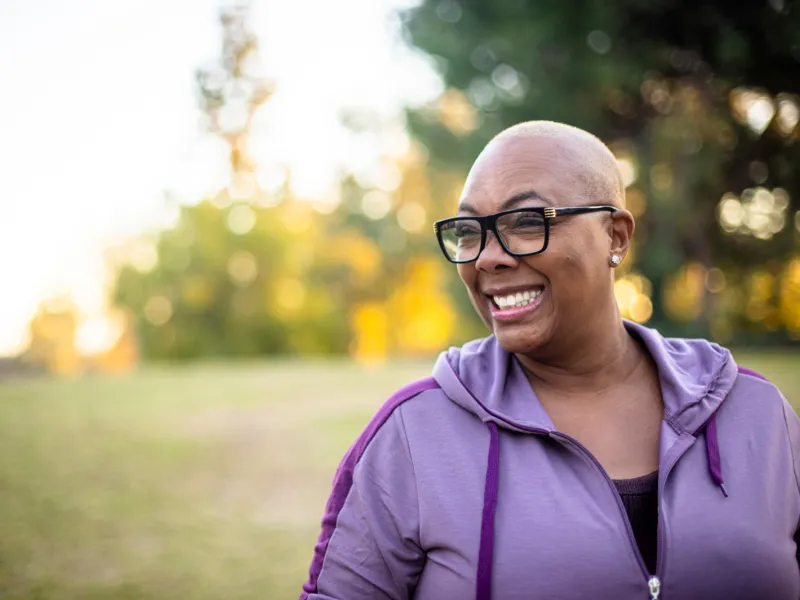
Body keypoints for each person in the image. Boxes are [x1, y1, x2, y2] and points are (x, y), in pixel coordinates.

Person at [299, 121, 800, 600]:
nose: (487, 257)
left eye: (525, 222)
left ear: (616, 237)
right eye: (470, 231)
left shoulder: (757, 414)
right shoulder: (412, 435)